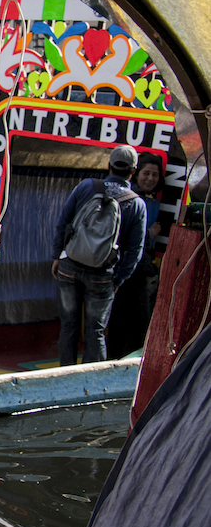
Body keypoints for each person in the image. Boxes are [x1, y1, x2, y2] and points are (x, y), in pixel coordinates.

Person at [52, 144, 147, 366]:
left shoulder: (86, 187)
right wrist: (118, 279)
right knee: (95, 331)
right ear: (133, 171)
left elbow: (63, 222)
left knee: (68, 326)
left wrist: (58, 255)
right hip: (103, 274)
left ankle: (65, 374)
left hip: (70, 266)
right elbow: (135, 251)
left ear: (109, 165)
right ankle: (90, 381)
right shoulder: (137, 204)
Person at [106, 152, 164, 359]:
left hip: (139, 268)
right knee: (129, 319)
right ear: (135, 174)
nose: (150, 179)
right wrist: (150, 234)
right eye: (146, 173)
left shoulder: (154, 201)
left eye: (155, 175)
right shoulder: (133, 201)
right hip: (127, 267)